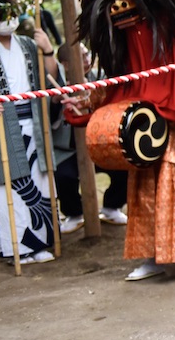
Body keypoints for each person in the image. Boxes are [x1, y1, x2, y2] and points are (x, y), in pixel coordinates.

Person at [65, 0, 175, 284]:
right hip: (143, 135)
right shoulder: (124, 62)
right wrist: (83, 103)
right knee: (144, 197)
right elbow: (107, 93)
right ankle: (152, 258)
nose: (129, 25)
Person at [0, 0, 56, 265]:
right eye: (0, 15)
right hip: (0, 126)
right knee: (9, 188)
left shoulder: (27, 45)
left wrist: (47, 50)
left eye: (11, 13)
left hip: (34, 122)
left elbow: (50, 79)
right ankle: (15, 249)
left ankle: (41, 244)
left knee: (40, 180)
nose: (7, 19)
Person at [51, 43, 128, 234]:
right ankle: (74, 214)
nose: (86, 60)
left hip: (98, 143)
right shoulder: (56, 88)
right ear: (66, 65)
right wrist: (57, 102)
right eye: (80, 56)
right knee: (63, 176)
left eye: (86, 55)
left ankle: (112, 206)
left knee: (124, 164)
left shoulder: (99, 80)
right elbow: (50, 119)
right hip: (68, 150)